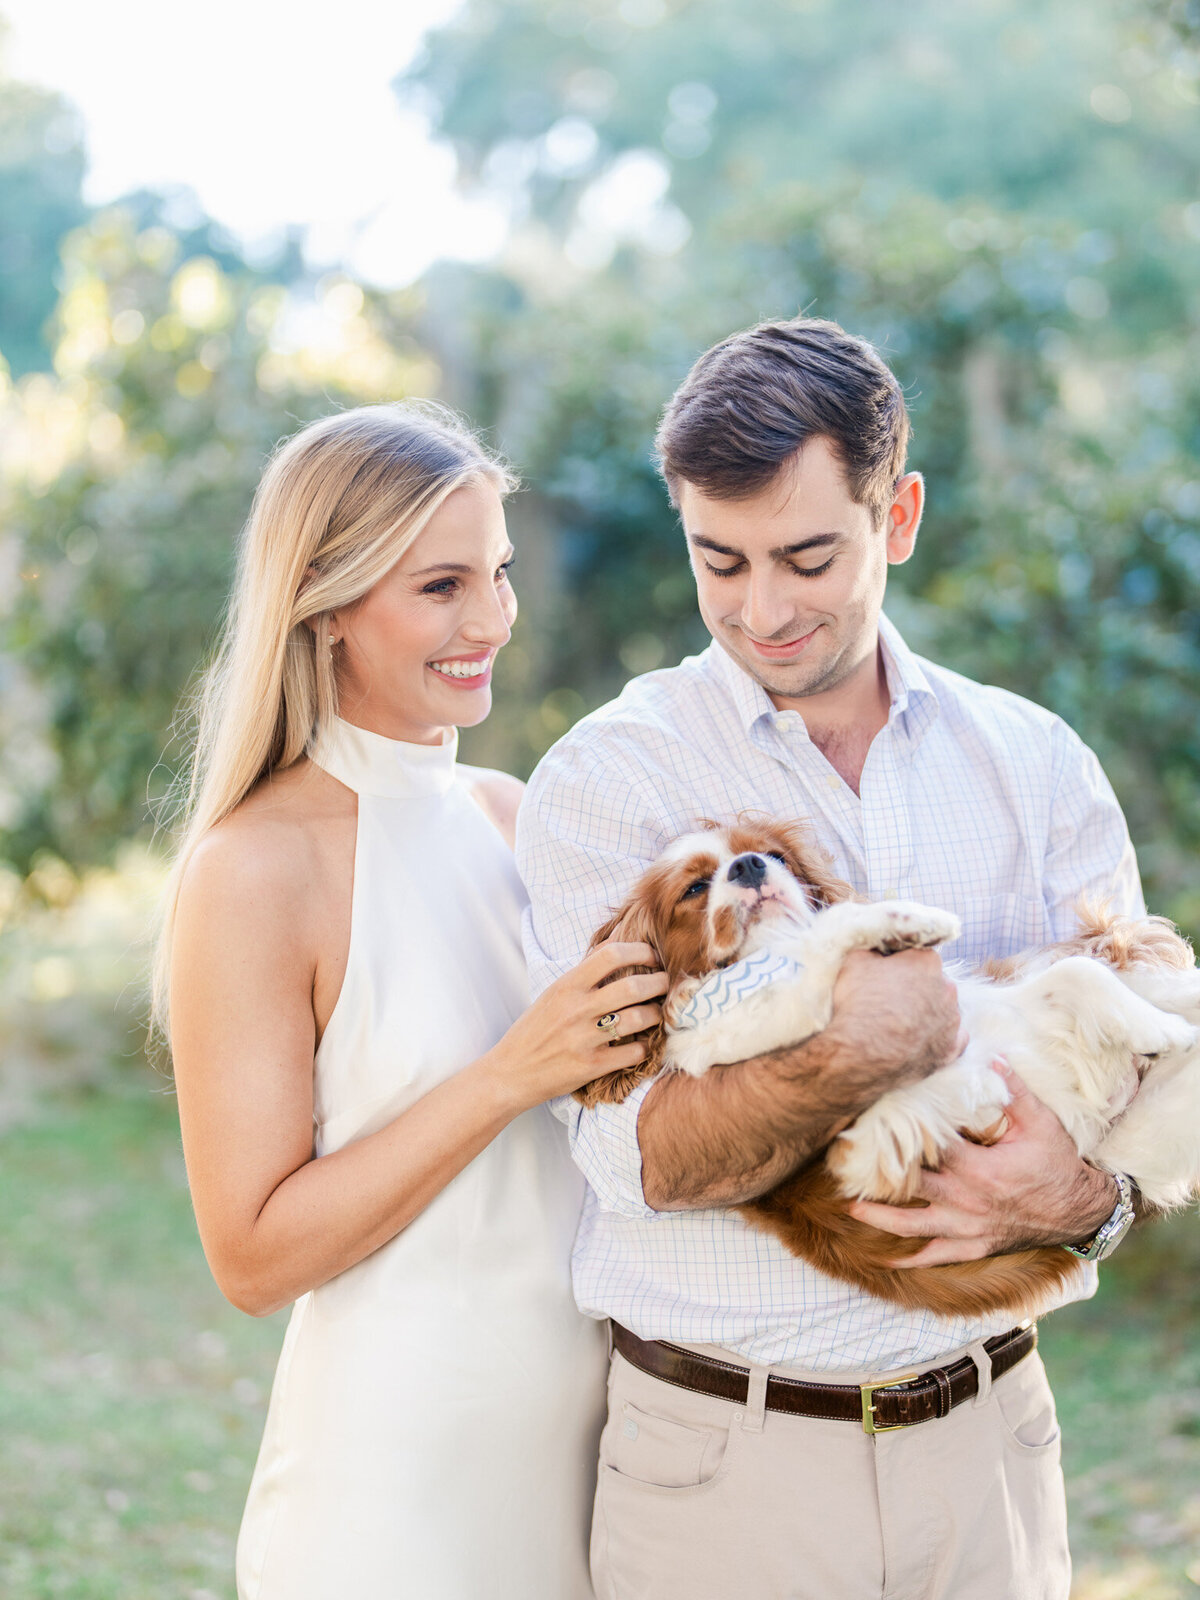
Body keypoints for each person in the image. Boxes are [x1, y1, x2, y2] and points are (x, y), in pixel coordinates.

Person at [517, 318, 1144, 1600]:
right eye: (720, 560)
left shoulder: (1035, 764)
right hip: (731, 1467)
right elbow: (638, 1153)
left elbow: (1150, 1082)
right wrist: (875, 1038)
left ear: (897, 515)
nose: (764, 608)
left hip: (995, 1442)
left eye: (809, 556)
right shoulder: (607, 780)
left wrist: (1079, 1204)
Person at [156, 402, 669, 1599]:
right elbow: (252, 1254)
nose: (491, 619)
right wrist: (505, 1075)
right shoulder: (254, 868)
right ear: (326, 602)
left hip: (596, 1464)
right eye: (441, 586)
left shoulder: (509, 812)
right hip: (394, 1499)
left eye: (495, 573)